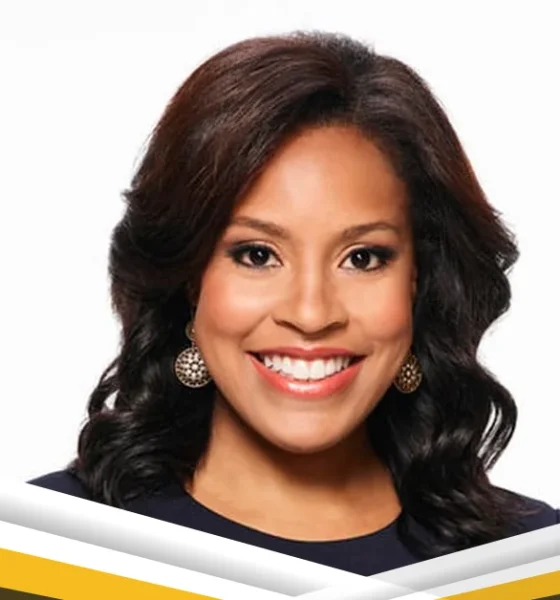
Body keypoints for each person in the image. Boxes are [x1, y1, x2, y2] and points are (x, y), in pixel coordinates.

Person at [30, 30, 558, 576]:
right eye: (257, 255)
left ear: (419, 282)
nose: (310, 314)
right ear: (190, 278)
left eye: (362, 258)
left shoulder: (530, 566)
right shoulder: (44, 549)